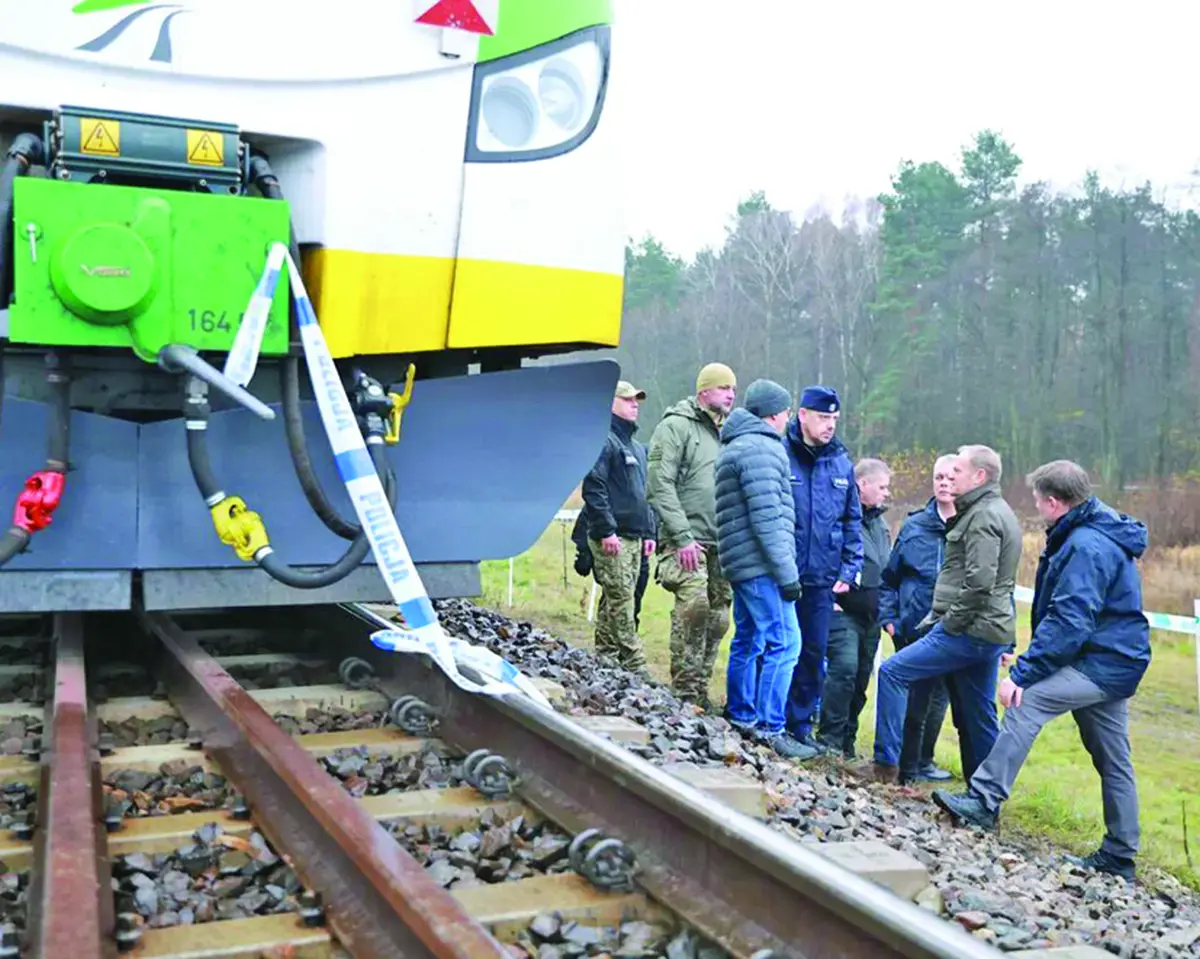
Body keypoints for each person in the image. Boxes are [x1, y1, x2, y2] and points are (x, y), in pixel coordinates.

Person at [933, 460, 1150, 881]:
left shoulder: (1086, 545)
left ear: (1053, 502)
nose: (1035, 508)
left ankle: (983, 799)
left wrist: (1025, 672)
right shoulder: (1093, 532)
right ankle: (1121, 855)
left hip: (1102, 662)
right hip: (1115, 659)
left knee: (1025, 700)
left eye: (1037, 501)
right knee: (1114, 759)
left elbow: (1071, 619)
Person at [864, 444, 1022, 784]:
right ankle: (983, 797)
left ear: (980, 476)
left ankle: (884, 770)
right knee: (976, 715)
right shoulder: (993, 510)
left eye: (959, 472)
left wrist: (947, 625)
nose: (951, 479)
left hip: (968, 630)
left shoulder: (983, 517)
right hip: (985, 630)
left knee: (892, 672)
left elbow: (980, 584)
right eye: (944, 475)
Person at [713, 379, 810, 759]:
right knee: (785, 642)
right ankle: (770, 728)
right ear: (774, 413)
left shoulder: (738, 444)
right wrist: (787, 574)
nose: (789, 418)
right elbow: (768, 519)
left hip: (742, 563)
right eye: (786, 411)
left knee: (749, 639)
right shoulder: (762, 450)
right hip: (762, 566)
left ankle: (741, 714)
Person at [646, 362, 738, 708]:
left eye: (733, 388)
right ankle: (684, 692)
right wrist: (682, 536)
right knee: (694, 608)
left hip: (722, 543)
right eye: (723, 387)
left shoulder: (730, 433)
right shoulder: (675, 427)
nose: (731, 393)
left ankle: (700, 690)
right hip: (686, 539)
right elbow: (659, 485)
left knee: (719, 618)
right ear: (704, 392)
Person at [782, 385, 863, 755]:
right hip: (785, 572)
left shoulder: (841, 462)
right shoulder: (782, 454)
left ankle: (799, 726)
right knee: (779, 647)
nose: (829, 425)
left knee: (813, 652)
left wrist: (849, 568)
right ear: (803, 415)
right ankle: (768, 717)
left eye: (834, 419)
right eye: (822, 417)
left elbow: (851, 521)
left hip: (822, 577)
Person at [877, 455, 957, 784]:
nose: (944, 483)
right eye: (939, 477)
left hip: (952, 629)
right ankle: (899, 763)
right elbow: (889, 578)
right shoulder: (914, 525)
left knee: (940, 698)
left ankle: (924, 760)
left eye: (951, 478)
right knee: (911, 697)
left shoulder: (973, 527)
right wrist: (890, 617)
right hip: (912, 626)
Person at [578, 380, 657, 673]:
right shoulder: (603, 441)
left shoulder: (636, 447)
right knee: (622, 599)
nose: (635, 404)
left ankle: (606, 656)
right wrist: (606, 530)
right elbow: (594, 487)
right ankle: (636, 664)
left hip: (636, 537)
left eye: (636, 400)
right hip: (613, 537)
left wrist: (649, 532)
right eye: (627, 400)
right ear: (611, 403)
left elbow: (644, 493)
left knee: (616, 597)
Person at [817, 457, 891, 759]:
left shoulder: (881, 525)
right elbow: (823, 555)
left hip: (872, 616)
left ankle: (848, 739)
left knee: (862, 676)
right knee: (844, 669)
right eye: (882, 487)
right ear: (862, 484)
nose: (887, 493)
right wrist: (827, 597)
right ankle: (829, 738)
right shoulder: (838, 516)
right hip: (843, 610)